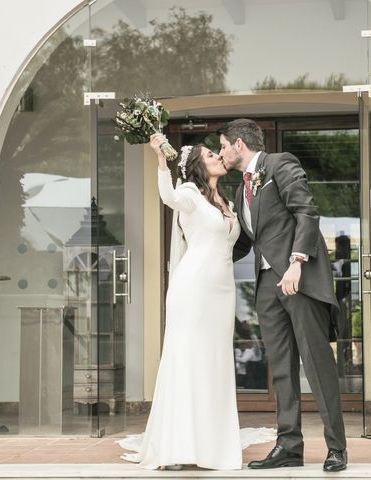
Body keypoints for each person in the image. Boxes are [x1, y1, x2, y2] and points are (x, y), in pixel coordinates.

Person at [219, 118, 348, 472]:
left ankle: (337, 447)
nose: (221, 153)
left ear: (239, 144)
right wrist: (208, 256)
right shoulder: (238, 190)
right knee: (281, 371)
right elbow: (247, 240)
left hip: (299, 281)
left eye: (223, 146)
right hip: (266, 289)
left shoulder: (280, 164)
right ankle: (289, 445)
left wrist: (297, 262)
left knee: (317, 364)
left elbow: (306, 211)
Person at [125, 133, 243, 470]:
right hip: (193, 289)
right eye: (210, 155)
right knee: (187, 360)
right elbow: (168, 196)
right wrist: (161, 159)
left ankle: (211, 445)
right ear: (197, 166)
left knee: (214, 363)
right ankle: (177, 446)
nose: (218, 157)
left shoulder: (227, 202)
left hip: (222, 293)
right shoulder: (190, 194)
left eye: (215, 153)